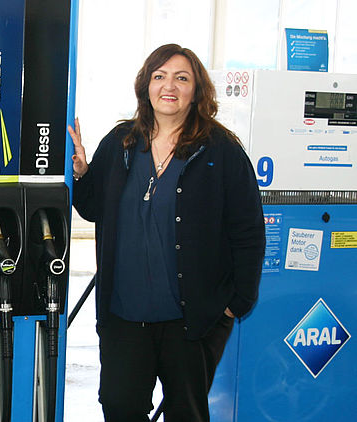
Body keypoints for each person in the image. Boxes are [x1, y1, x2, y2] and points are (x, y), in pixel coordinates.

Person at [69, 43, 265, 422]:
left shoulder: (221, 151)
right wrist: (81, 174)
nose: (169, 86)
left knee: (186, 413)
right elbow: (93, 209)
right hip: (124, 314)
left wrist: (236, 303)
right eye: (159, 76)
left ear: (197, 90)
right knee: (120, 407)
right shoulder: (121, 142)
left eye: (182, 78)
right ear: (146, 85)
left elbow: (248, 231)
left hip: (191, 321)